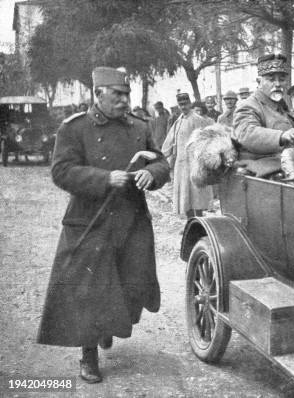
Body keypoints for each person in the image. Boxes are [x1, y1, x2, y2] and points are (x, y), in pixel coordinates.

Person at [37, 66, 170, 383]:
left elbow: (161, 161)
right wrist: (104, 178)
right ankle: (89, 354)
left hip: (131, 221)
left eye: (127, 94)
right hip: (90, 220)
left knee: (131, 283)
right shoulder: (75, 128)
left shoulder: (140, 127)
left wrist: (152, 174)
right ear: (97, 94)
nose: (125, 100)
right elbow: (61, 171)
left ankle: (108, 324)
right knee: (90, 289)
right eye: (118, 95)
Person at [232, 53, 294, 160]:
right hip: (259, 166)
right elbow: (246, 134)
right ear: (259, 82)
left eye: (281, 79)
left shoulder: (282, 107)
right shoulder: (248, 105)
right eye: (271, 79)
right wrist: (281, 136)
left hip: (286, 161)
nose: (277, 84)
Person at [162, 93, 215, 216]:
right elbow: (170, 140)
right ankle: (190, 222)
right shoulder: (179, 120)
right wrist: (162, 156)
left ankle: (199, 222)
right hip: (181, 163)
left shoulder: (197, 119)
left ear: (190, 103)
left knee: (197, 195)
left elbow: (205, 138)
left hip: (194, 163)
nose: (183, 107)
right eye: (181, 104)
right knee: (186, 196)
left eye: (185, 104)